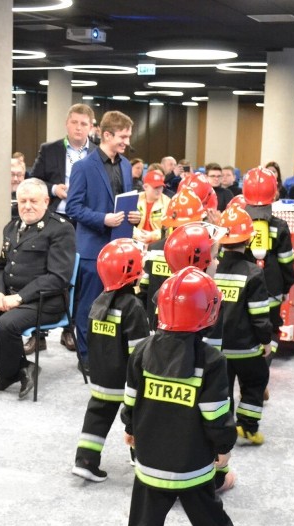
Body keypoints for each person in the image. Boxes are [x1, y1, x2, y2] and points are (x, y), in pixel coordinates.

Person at [121, 267, 251, 526]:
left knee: (144, 517)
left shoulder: (141, 352)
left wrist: (131, 428)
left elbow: (131, 399)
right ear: (209, 312)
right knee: (207, 511)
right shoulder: (212, 361)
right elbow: (216, 414)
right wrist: (223, 448)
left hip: (150, 461)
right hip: (192, 464)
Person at [0, 178, 75, 399]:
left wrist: (20, 298)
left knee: (6, 323)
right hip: (11, 297)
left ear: (46, 201)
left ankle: (6, 376)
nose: (27, 206)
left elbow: (58, 277)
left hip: (45, 300)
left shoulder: (61, 229)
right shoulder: (12, 227)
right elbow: (0, 268)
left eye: (33, 201)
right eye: (22, 200)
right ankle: (22, 368)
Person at [66, 110, 138, 374]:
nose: (126, 142)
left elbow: (126, 200)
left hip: (121, 249)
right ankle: (85, 356)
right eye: (122, 136)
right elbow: (73, 208)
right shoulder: (83, 167)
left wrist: (136, 216)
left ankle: (110, 352)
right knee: (88, 307)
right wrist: (103, 219)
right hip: (92, 249)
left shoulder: (126, 165)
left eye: (128, 136)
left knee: (118, 305)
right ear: (106, 135)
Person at [72, 238, 149, 482]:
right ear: (133, 272)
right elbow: (139, 353)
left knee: (96, 417)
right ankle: (140, 458)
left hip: (100, 378)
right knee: (139, 417)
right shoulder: (133, 307)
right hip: (127, 381)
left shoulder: (97, 302)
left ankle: (85, 461)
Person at [28, 103, 95, 354]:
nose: (79, 128)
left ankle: (70, 329)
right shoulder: (50, 150)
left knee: (76, 275)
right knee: (41, 272)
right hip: (54, 216)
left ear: (91, 127)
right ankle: (37, 332)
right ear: (67, 123)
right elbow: (34, 181)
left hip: (83, 222)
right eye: (75, 122)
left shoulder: (96, 153)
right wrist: (54, 189)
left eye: (84, 124)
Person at [206, 203, 273, 444]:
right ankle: (248, 426)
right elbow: (259, 315)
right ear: (248, 240)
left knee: (222, 389)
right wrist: (266, 342)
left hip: (216, 347)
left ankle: (224, 430)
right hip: (246, 348)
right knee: (256, 381)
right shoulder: (253, 272)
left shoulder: (212, 269)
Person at [242, 167, 294, 361]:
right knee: (271, 327)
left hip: (243, 290)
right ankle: (265, 362)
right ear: (274, 194)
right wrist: (287, 287)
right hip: (272, 290)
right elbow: (287, 261)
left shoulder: (238, 223)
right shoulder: (279, 226)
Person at [137, 188, 207, 330]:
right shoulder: (202, 251)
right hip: (189, 327)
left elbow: (143, 289)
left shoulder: (154, 249)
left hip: (156, 325)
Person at [133, 169, 170, 245]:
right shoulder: (135, 199)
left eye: (161, 187)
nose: (159, 190)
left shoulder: (168, 202)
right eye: (155, 187)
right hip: (136, 242)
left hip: (158, 244)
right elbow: (125, 224)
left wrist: (152, 236)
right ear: (145, 187)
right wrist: (136, 233)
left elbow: (171, 229)